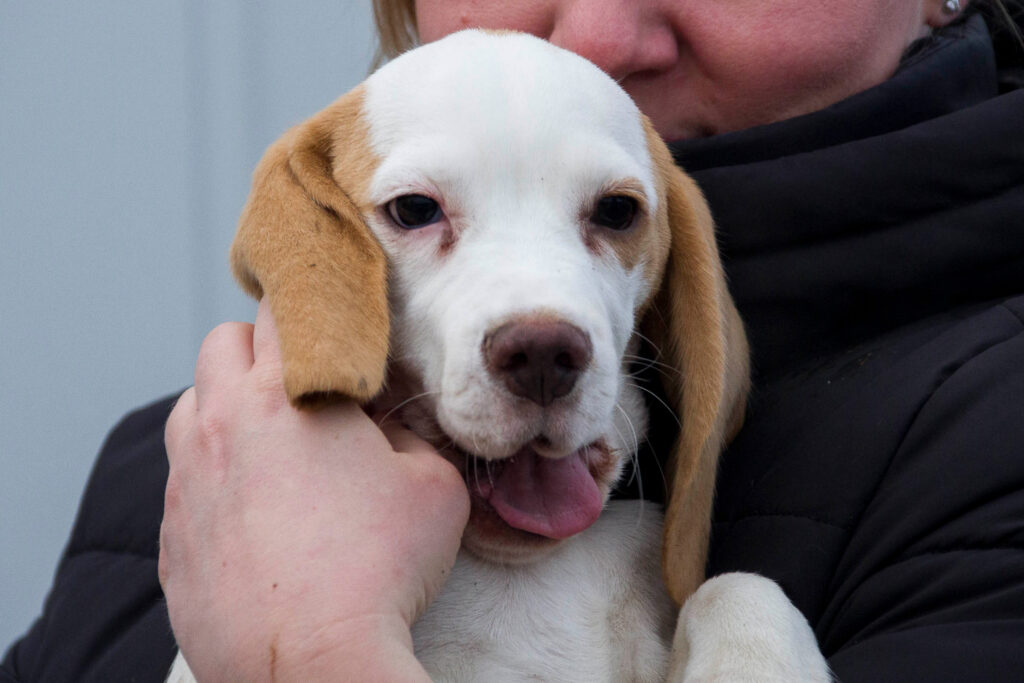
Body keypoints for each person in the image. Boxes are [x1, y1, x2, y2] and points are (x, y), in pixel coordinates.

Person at [4, 0, 1023, 680]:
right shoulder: (178, 476)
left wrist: (316, 651)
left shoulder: (988, 441)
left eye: (615, 215)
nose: (589, 35)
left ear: (679, 273)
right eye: (414, 209)